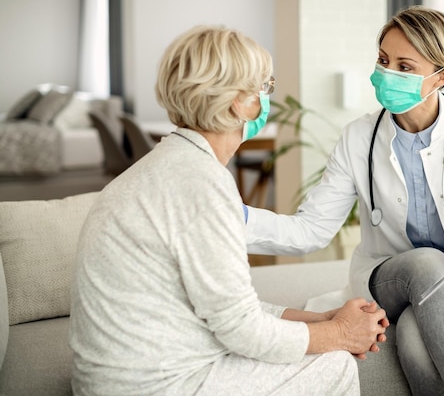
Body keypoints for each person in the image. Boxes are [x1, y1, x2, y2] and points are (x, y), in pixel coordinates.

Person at [244, 6, 444, 396]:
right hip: (390, 276)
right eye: (383, 60)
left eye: (405, 67)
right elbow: (311, 229)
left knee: (412, 330)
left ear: (441, 76)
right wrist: (232, 217)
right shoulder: (358, 138)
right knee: (426, 262)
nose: (387, 73)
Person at [68, 25, 388, 396]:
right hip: (154, 385)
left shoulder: (168, 166)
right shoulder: (201, 185)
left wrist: (320, 319)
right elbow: (241, 329)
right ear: (239, 101)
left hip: (125, 374)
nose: (265, 100)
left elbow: (221, 307)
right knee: (333, 363)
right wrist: (339, 335)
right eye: (263, 88)